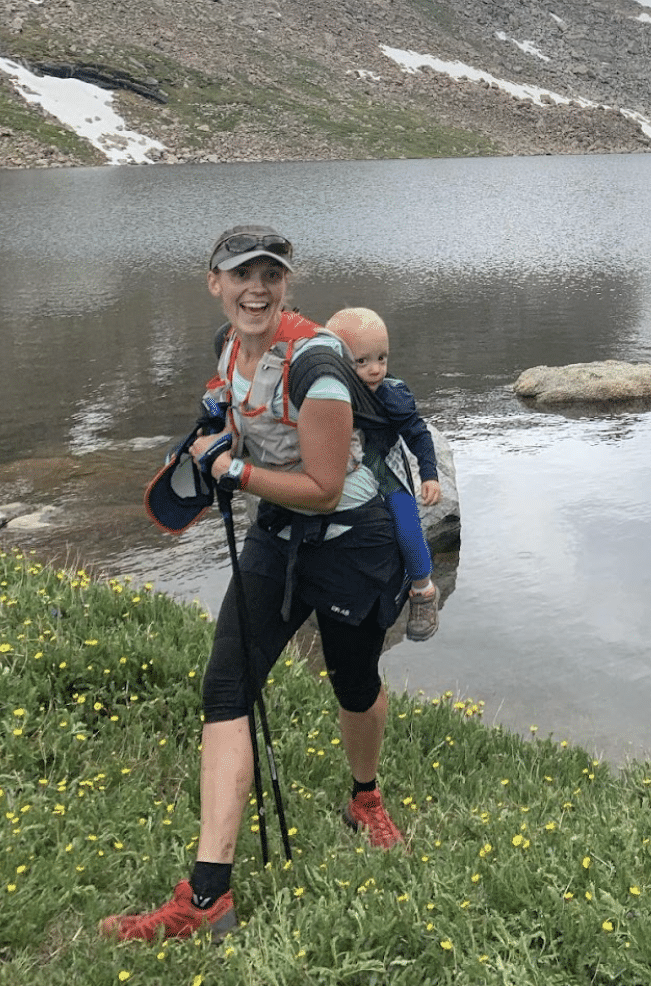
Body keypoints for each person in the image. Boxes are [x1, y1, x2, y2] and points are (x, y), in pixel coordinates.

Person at [102, 225, 409, 943]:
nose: (256, 288)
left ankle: (364, 797)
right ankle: (208, 896)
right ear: (215, 281)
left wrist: (233, 471)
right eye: (241, 274)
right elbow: (244, 424)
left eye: (271, 274)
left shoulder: (319, 366)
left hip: (349, 542)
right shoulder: (226, 346)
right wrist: (216, 441)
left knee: (354, 683)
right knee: (225, 690)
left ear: (287, 283)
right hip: (277, 535)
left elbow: (327, 487)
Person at [325, 306, 442, 643]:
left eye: (382, 358)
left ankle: (422, 589)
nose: (375, 369)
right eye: (361, 362)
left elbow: (418, 434)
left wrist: (429, 474)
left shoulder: (392, 396)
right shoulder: (328, 394)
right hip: (345, 475)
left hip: (386, 472)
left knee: (405, 525)